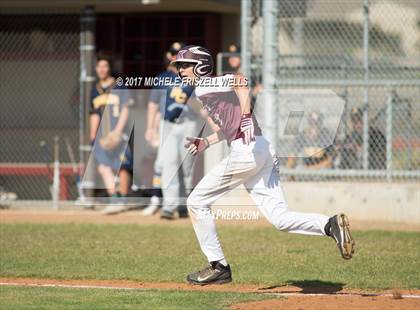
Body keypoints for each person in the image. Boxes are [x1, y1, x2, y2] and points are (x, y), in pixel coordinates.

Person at [171, 45, 356, 285]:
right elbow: (229, 126)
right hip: (261, 149)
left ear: (201, 66)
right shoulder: (203, 90)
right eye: (179, 66)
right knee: (280, 218)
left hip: (246, 151)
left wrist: (247, 116)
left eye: (185, 65)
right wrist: (207, 140)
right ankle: (329, 225)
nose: (181, 70)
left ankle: (218, 266)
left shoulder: (207, 84)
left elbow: (241, 80)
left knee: (196, 201)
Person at [144, 42, 199, 219]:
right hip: (167, 124)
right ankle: (169, 206)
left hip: (189, 124)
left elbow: (203, 106)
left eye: (180, 54)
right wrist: (150, 127)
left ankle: (184, 205)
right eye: (174, 53)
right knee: (169, 164)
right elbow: (153, 104)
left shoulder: (194, 77)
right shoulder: (162, 77)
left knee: (186, 166)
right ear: (169, 56)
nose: (176, 57)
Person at [90, 57, 133, 214]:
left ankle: (123, 199)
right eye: (99, 66)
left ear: (109, 68)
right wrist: (93, 136)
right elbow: (94, 114)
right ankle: (114, 198)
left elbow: (126, 108)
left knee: (121, 166)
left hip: (118, 133)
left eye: (105, 66)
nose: (102, 69)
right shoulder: (95, 89)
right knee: (103, 166)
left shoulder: (119, 84)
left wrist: (118, 131)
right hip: (102, 136)